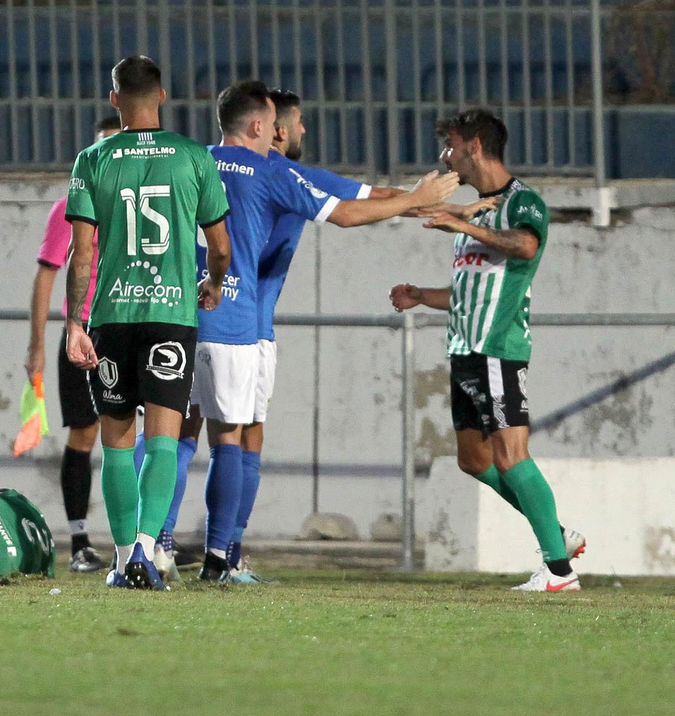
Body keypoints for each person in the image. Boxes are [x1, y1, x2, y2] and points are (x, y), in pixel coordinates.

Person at [190, 81, 459, 584]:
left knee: (169, 435)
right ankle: (219, 559)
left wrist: (434, 207)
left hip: (178, 314)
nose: (282, 132)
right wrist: (418, 199)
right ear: (258, 126)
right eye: (275, 125)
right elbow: (351, 212)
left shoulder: (192, 161)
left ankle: (148, 550)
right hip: (235, 320)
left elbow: (365, 197)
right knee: (231, 438)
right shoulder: (274, 170)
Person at [390, 107, 586, 592]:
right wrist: (422, 296)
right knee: (473, 460)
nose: (445, 155)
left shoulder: (522, 201)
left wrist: (464, 226)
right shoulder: (475, 207)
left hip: (498, 348)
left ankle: (559, 571)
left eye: (451, 146)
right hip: (465, 349)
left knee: (511, 454)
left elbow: (523, 247)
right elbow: (470, 291)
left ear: (474, 147)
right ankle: (557, 536)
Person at [62, 54, 233, 591]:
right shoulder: (192, 158)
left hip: (113, 318)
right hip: (170, 318)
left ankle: (118, 561)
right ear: (162, 96)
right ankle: (144, 550)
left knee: (114, 442)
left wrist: (74, 323)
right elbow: (221, 247)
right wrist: (213, 283)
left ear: (114, 100)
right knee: (163, 441)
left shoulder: (91, 160)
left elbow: (81, 254)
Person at [26, 114, 122, 573]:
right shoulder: (70, 206)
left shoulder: (133, 205)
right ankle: (80, 541)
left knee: (139, 433)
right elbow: (46, 274)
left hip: (130, 327)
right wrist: (38, 345)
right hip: (83, 331)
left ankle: (148, 539)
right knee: (84, 432)